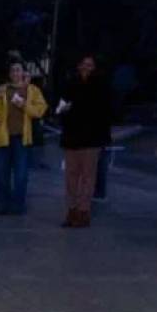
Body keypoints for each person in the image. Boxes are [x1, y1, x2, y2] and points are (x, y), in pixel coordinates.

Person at [55, 54, 112, 227]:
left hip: (91, 138)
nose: (86, 67)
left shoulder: (100, 85)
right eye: (84, 64)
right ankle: (72, 210)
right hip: (72, 136)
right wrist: (63, 111)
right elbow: (60, 106)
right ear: (78, 66)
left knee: (88, 177)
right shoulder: (70, 84)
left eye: (90, 64)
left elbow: (106, 110)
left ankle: (83, 211)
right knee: (71, 177)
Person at [0, 62, 47, 215]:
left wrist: (24, 105)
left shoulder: (32, 90)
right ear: (9, 74)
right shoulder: (2, 90)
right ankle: (3, 206)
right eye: (12, 70)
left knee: (21, 176)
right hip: (3, 138)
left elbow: (40, 111)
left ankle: (18, 206)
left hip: (22, 138)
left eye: (18, 70)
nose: (15, 73)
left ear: (23, 73)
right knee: (2, 175)